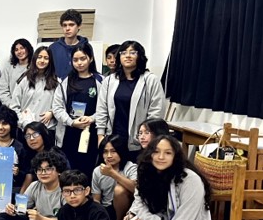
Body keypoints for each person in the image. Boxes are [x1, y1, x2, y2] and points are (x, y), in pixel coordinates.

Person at [95, 40, 165, 158]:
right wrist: (100, 135)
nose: (127, 56)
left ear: (140, 56)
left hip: (140, 142)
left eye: (133, 52)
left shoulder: (150, 80)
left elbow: (156, 112)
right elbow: (102, 109)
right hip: (114, 139)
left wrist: (148, 136)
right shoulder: (109, 80)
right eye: (123, 53)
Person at [53, 42, 102, 178]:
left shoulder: (101, 81)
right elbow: (57, 108)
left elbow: (106, 108)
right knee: (69, 172)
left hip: (91, 133)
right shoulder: (65, 82)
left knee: (88, 171)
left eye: (83, 59)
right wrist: (72, 122)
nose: (79, 63)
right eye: (75, 60)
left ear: (90, 59)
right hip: (69, 133)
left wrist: (92, 118)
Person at [10, 46, 58, 135]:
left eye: (46, 58)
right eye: (39, 57)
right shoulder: (24, 79)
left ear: (50, 61)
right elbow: (14, 107)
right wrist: (24, 123)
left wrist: (52, 112)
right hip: (25, 129)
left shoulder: (56, 81)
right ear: (35, 59)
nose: (42, 60)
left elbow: (61, 105)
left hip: (47, 130)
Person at [91, 134, 137, 220]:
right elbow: (96, 200)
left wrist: (112, 173)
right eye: (105, 152)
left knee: (119, 190)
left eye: (113, 151)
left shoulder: (131, 167)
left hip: (128, 210)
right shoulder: (98, 171)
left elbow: (137, 189)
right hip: (106, 209)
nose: (109, 156)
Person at [0, 106, 26, 195]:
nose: (0, 127)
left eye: (5, 124)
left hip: (11, 191)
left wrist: (18, 173)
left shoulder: (19, 147)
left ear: (12, 125)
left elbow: (25, 173)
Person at [18, 122, 69, 194]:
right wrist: (20, 197)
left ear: (44, 135)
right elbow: (29, 177)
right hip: (37, 192)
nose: (31, 139)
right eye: (28, 136)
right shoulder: (29, 155)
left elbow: (66, 177)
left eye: (35, 134)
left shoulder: (55, 154)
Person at [49, 9, 90, 80]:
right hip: (57, 85)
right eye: (64, 25)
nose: (67, 28)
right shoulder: (53, 48)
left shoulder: (86, 47)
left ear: (79, 26)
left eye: (71, 25)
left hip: (81, 85)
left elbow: (91, 70)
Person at [0, 39, 33, 107]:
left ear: (28, 49)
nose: (19, 51)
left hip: (30, 108)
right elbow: (2, 89)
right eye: (16, 50)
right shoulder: (9, 67)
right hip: (11, 107)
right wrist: (10, 105)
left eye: (22, 48)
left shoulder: (35, 67)